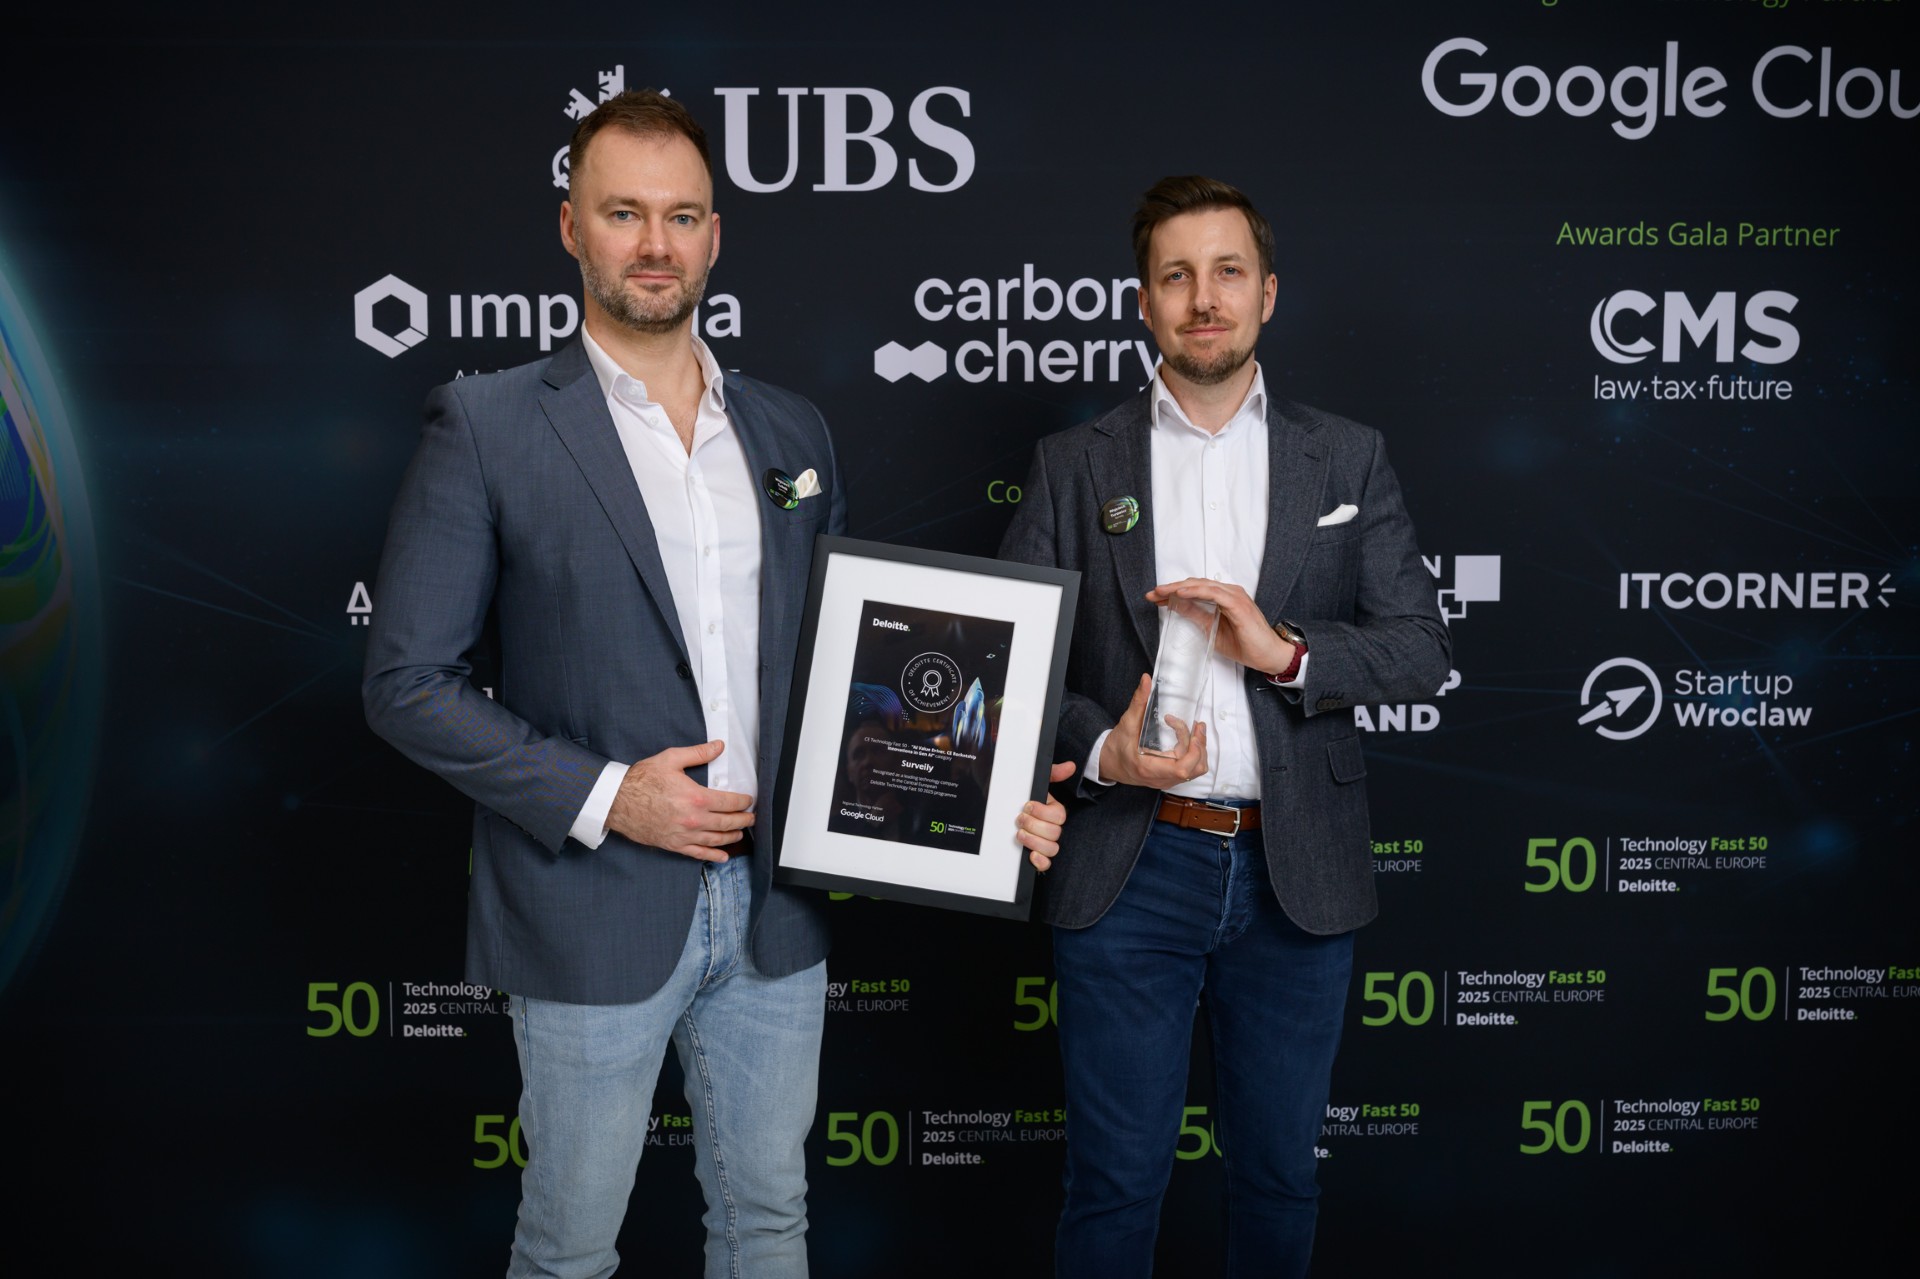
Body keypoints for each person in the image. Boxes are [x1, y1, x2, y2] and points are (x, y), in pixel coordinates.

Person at [363, 90, 1070, 1279]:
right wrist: (612, 797)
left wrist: (980, 783)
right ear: (571, 227)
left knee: (767, 1226)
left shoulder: (791, 431)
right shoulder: (486, 424)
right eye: (624, 213)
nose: (655, 243)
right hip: (589, 906)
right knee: (569, 1249)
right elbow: (406, 683)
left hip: (775, 910)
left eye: (681, 216)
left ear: (714, 236)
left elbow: (853, 676)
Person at [999, 175, 1451, 1278]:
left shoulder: (1345, 457)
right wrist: (1104, 750)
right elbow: (1016, 663)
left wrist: (1284, 651)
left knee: (1280, 1178)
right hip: (1127, 865)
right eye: (1178, 276)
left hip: (1296, 872)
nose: (1205, 298)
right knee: (1113, 1186)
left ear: (1268, 293)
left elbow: (1419, 649)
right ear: (1144, 302)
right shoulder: (1073, 463)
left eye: (1228, 272)